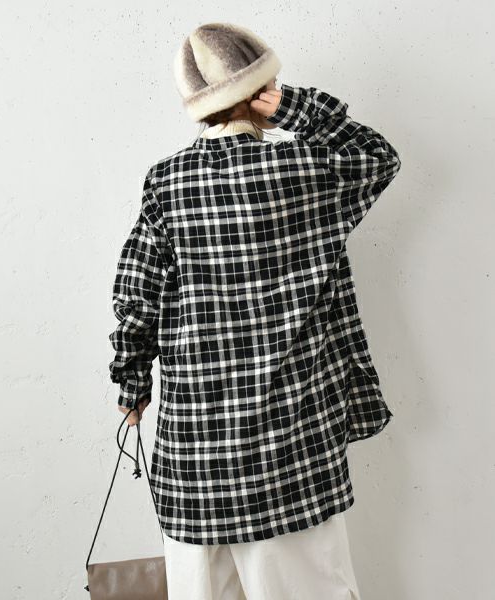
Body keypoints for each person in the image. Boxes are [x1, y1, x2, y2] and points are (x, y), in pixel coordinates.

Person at [108, 21, 401, 600]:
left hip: (198, 449)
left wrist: (132, 381)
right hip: (293, 437)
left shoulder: (167, 182)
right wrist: (297, 107)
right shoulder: (306, 171)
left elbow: (138, 294)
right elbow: (379, 156)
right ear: (260, 90)